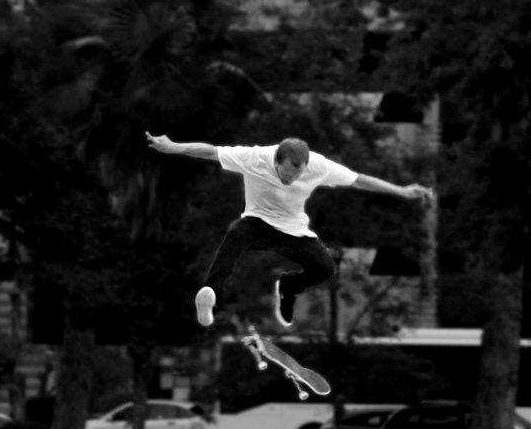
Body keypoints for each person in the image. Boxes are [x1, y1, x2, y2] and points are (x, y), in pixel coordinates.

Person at [145, 132, 433, 328]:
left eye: (298, 174)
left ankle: (289, 287)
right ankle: (212, 297)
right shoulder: (254, 157)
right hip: (257, 223)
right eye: (287, 173)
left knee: (324, 267)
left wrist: (402, 191)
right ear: (277, 160)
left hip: (293, 231)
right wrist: (173, 147)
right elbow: (210, 152)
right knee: (236, 232)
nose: (292, 179)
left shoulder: (317, 166)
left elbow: (358, 180)